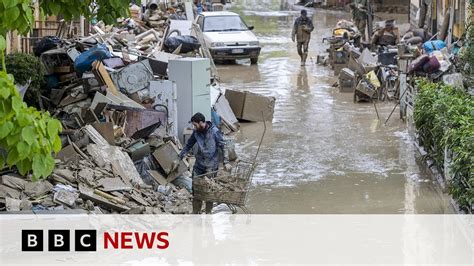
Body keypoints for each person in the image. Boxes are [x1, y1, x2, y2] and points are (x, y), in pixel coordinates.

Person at [178, 112, 231, 214]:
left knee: (208, 191)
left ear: (201, 122)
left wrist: (226, 162)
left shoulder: (215, 132)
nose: (194, 127)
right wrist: (180, 156)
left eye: (195, 124)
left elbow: (224, 146)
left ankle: (208, 213)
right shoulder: (196, 132)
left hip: (211, 166)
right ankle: (195, 213)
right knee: (196, 190)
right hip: (199, 165)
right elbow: (188, 145)